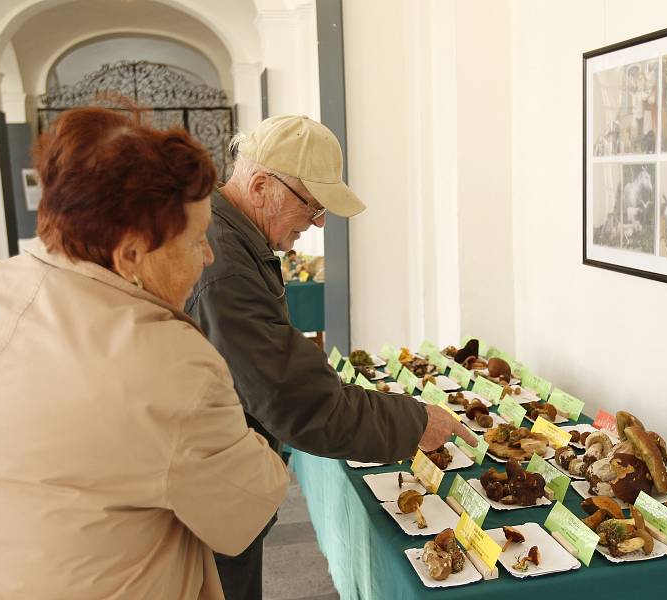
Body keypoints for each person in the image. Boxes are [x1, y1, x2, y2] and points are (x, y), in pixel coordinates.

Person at [0, 107, 289, 600]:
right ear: (131, 254)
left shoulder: (2, 284)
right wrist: (255, 442)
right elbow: (248, 508)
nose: (210, 255)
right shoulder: (169, 366)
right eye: (196, 239)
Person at [185, 115, 476, 600]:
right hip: (210, 496)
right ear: (260, 186)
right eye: (313, 205)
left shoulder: (230, 241)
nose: (319, 222)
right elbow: (301, 404)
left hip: (219, 483)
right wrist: (414, 421)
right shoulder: (227, 270)